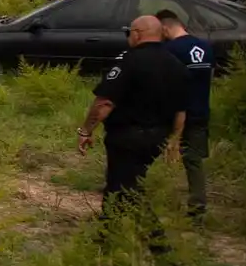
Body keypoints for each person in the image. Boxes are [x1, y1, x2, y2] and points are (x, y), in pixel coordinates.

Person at [77, 15, 188, 235]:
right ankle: (106, 234)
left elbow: (105, 102)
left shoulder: (129, 61)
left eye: (130, 32)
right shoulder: (177, 66)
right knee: (116, 185)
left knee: (128, 190)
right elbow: (181, 111)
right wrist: (174, 140)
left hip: (127, 137)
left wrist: (86, 130)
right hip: (157, 138)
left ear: (138, 34)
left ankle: (159, 244)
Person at [156, 8, 213, 220]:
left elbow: (164, 84)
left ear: (164, 28)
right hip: (200, 112)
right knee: (194, 161)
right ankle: (197, 210)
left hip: (172, 114)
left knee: (148, 151)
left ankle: (134, 193)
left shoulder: (170, 50)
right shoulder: (205, 47)